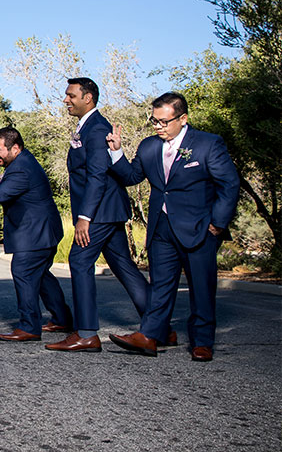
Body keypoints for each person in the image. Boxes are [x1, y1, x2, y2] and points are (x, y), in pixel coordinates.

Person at [107, 92, 239, 362]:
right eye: (154, 121)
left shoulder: (207, 144)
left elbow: (229, 185)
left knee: (201, 287)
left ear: (183, 118)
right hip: (161, 230)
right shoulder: (148, 147)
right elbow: (132, 177)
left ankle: (202, 342)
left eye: (164, 122)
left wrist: (217, 224)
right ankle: (150, 335)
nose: (158, 127)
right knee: (160, 286)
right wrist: (116, 151)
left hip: (199, 228)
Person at [47, 78, 159, 353]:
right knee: (124, 267)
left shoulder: (96, 128)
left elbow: (97, 175)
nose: (65, 100)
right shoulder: (88, 126)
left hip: (100, 212)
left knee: (79, 259)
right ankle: (160, 328)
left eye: (71, 95)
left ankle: (86, 333)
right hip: (109, 210)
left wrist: (85, 216)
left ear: (88, 98)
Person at [0, 127, 73, 341]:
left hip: (36, 232)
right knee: (41, 275)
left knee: (23, 271)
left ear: (15, 148)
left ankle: (29, 327)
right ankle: (62, 319)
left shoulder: (21, 168)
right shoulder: (21, 162)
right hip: (43, 230)